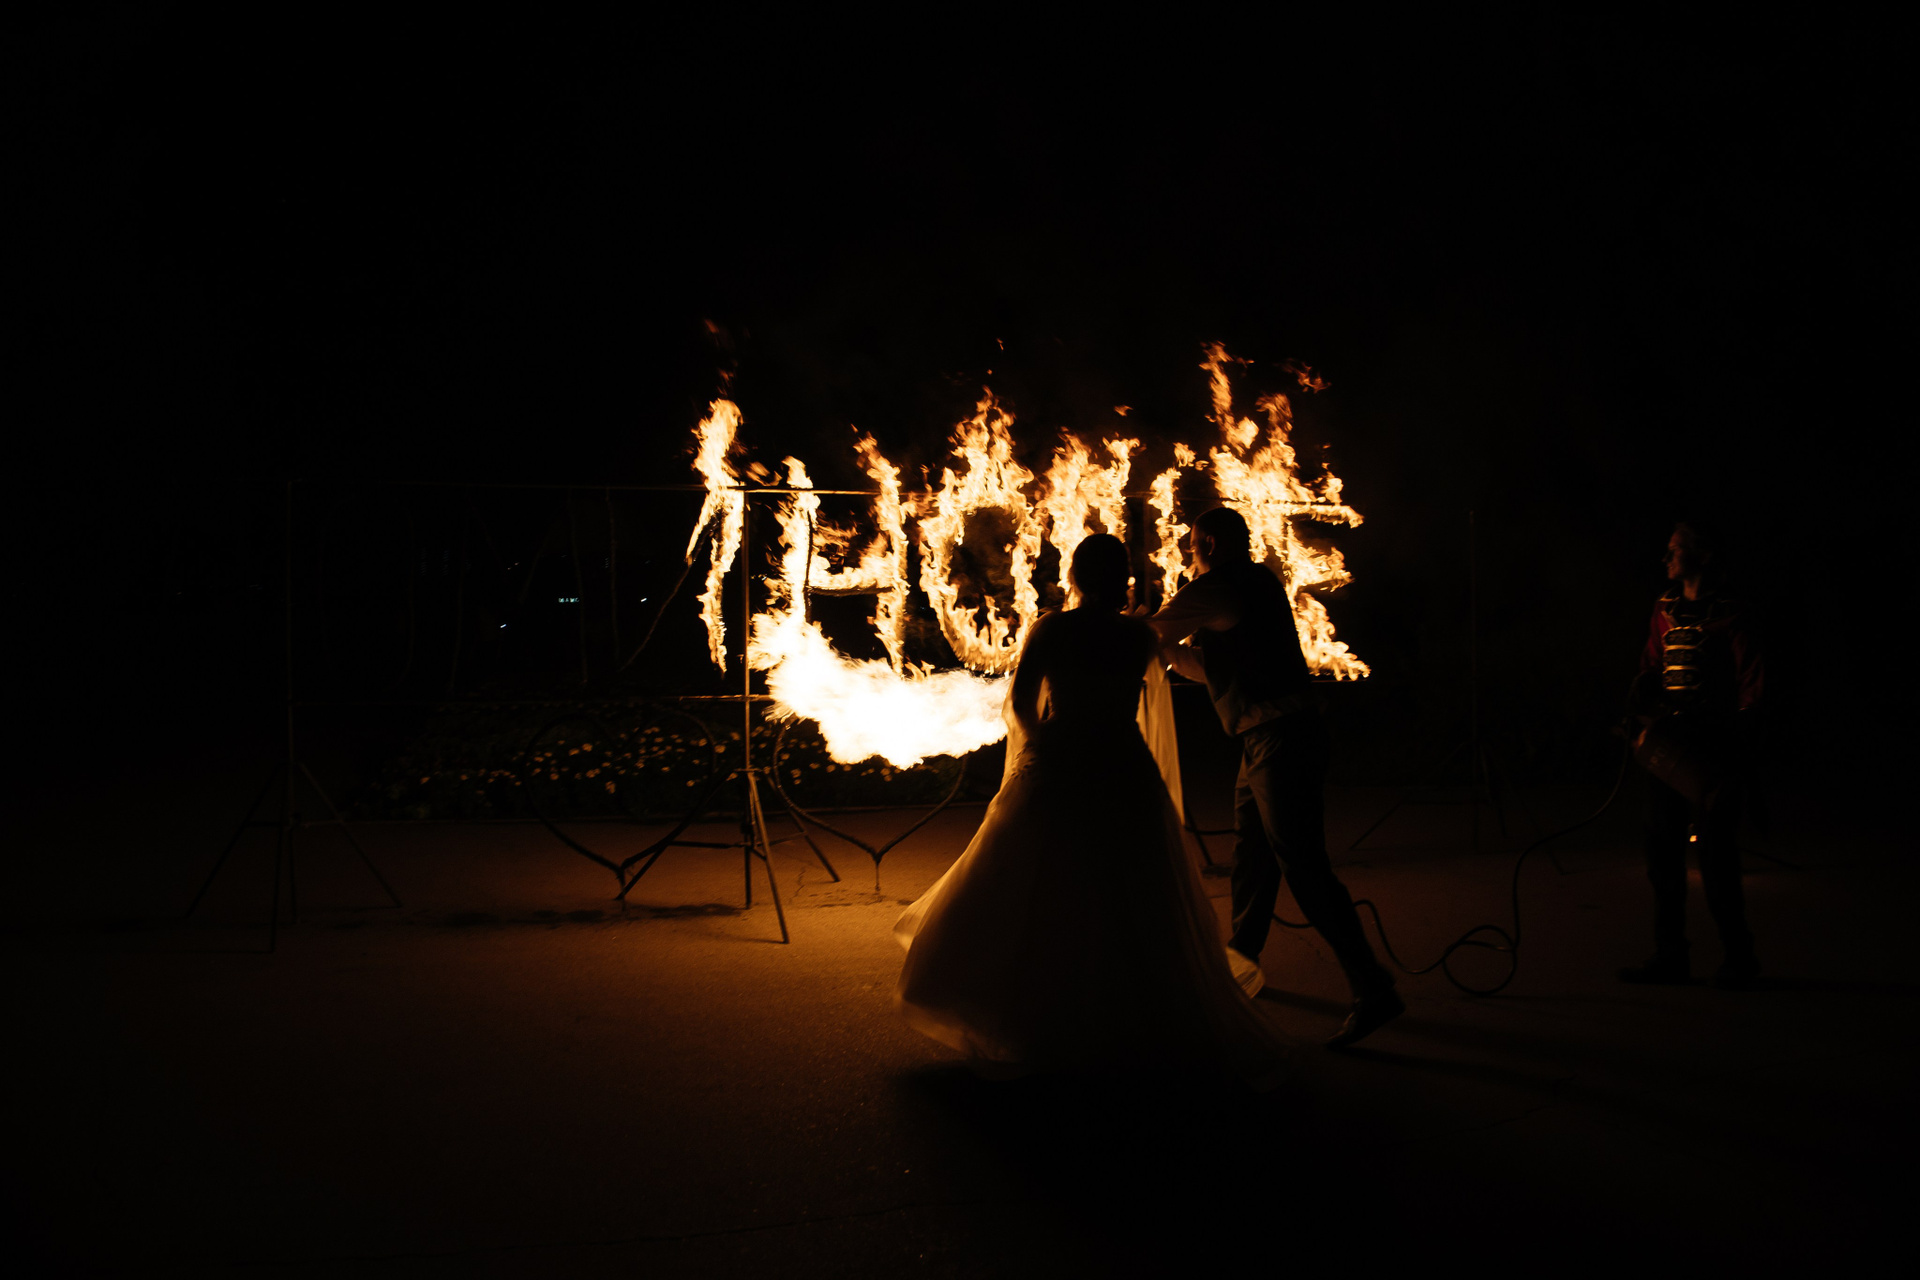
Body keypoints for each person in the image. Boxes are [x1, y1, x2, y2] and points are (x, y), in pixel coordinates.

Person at [893, 534, 1287, 1085]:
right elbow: (1158, 691)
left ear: (1075, 576)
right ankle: (1130, 1019)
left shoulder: (1053, 629)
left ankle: (1035, 1016)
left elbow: (1020, 703)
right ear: (1123, 579)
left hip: (1060, 758)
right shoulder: (1137, 636)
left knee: (1040, 884)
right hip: (1123, 763)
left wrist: (1040, 750)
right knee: (1128, 891)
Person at [1148, 507, 1401, 1048]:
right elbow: (1211, 667)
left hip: (1278, 739)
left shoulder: (1218, 586)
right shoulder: (1257, 581)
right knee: (1253, 854)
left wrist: (1136, 629)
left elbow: (1149, 632)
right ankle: (1242, 958)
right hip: (1273, 736)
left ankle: (1373, 987)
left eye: (1191, 544)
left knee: (1303, 867)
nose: (1187, 553)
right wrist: (1171, 653)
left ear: (1208, 543)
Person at [1621, 520, 1763, 989]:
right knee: (1661, 854)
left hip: (1713, 748)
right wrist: (1644, 696)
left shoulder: (1732, 613)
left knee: (1717, 859)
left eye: (1675, 549)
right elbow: (1652, 663)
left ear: (1703, 555)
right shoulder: (1664, 608)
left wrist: (1741, 743)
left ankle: (1739, 960)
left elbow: (1752, 681)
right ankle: (1670, 956)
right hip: (1669, 746)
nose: (1666, 558)